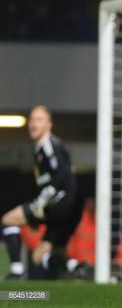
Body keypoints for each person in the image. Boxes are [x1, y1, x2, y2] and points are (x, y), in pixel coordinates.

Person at [1, 106, 89, 279]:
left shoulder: (49, 145)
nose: (33, 124)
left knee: (8, 220)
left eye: (39, 119)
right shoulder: (41, 148)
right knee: (38, 256)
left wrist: (39, 206)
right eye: (32, 120)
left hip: (61, 204)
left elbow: (61, 176)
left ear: (49, 124)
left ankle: (16, 272)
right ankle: (76, 267)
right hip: (70, 208)